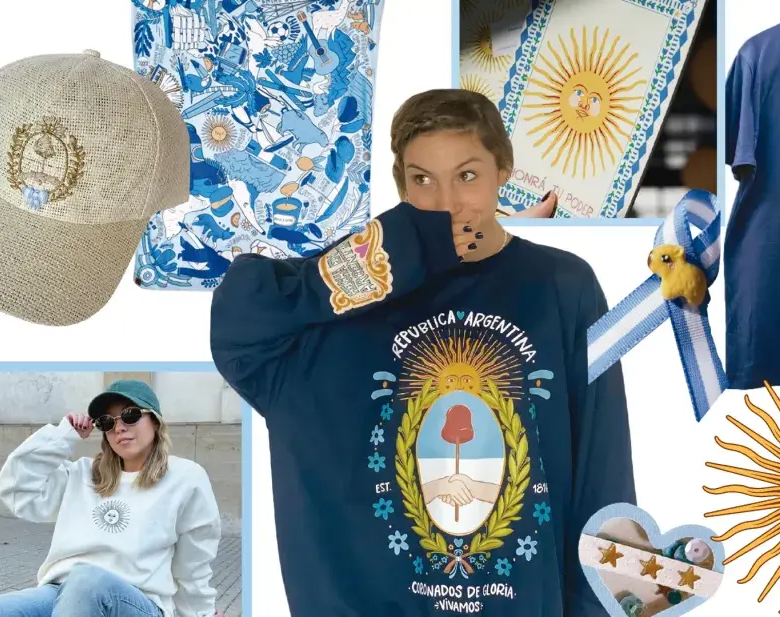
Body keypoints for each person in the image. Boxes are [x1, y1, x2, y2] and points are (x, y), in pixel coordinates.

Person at [211, 88, 635, 616]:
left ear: (504, 170)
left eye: (468, 175)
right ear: (401, 188)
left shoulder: (564, 285)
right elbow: (240, 323)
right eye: (422, 181)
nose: (447, 205)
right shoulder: (364, 291)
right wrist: (392, 254)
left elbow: (603, 463)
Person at [0, 380, 223, 617]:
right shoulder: (81, 474)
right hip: (61, 592)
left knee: (88, 582)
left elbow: (193, 564)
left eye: (130, 415)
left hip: (137, 602)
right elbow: (16, 488)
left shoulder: (185, 477)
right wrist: (63, 436)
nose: (119, 428)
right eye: (107, 422)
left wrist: (201, 613)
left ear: (155, 421)